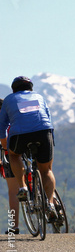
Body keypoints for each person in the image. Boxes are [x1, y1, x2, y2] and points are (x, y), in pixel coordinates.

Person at [0, 76, 58, 222]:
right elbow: (48, 119)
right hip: (44, 132)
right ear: (31, 88)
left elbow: (2, 125)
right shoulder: (39, 97)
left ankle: (23, 188)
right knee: (46, 170)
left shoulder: (9, 99)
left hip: (20, 135)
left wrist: (5, 144)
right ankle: (50, 204)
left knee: (14, 155)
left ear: (14, 90)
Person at [0, 99, 20, 234]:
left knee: (13, 191)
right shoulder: (15, 117)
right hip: (27, 149)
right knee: (43, 173)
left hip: (9, 155)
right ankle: (52, 204)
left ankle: (14, 226)